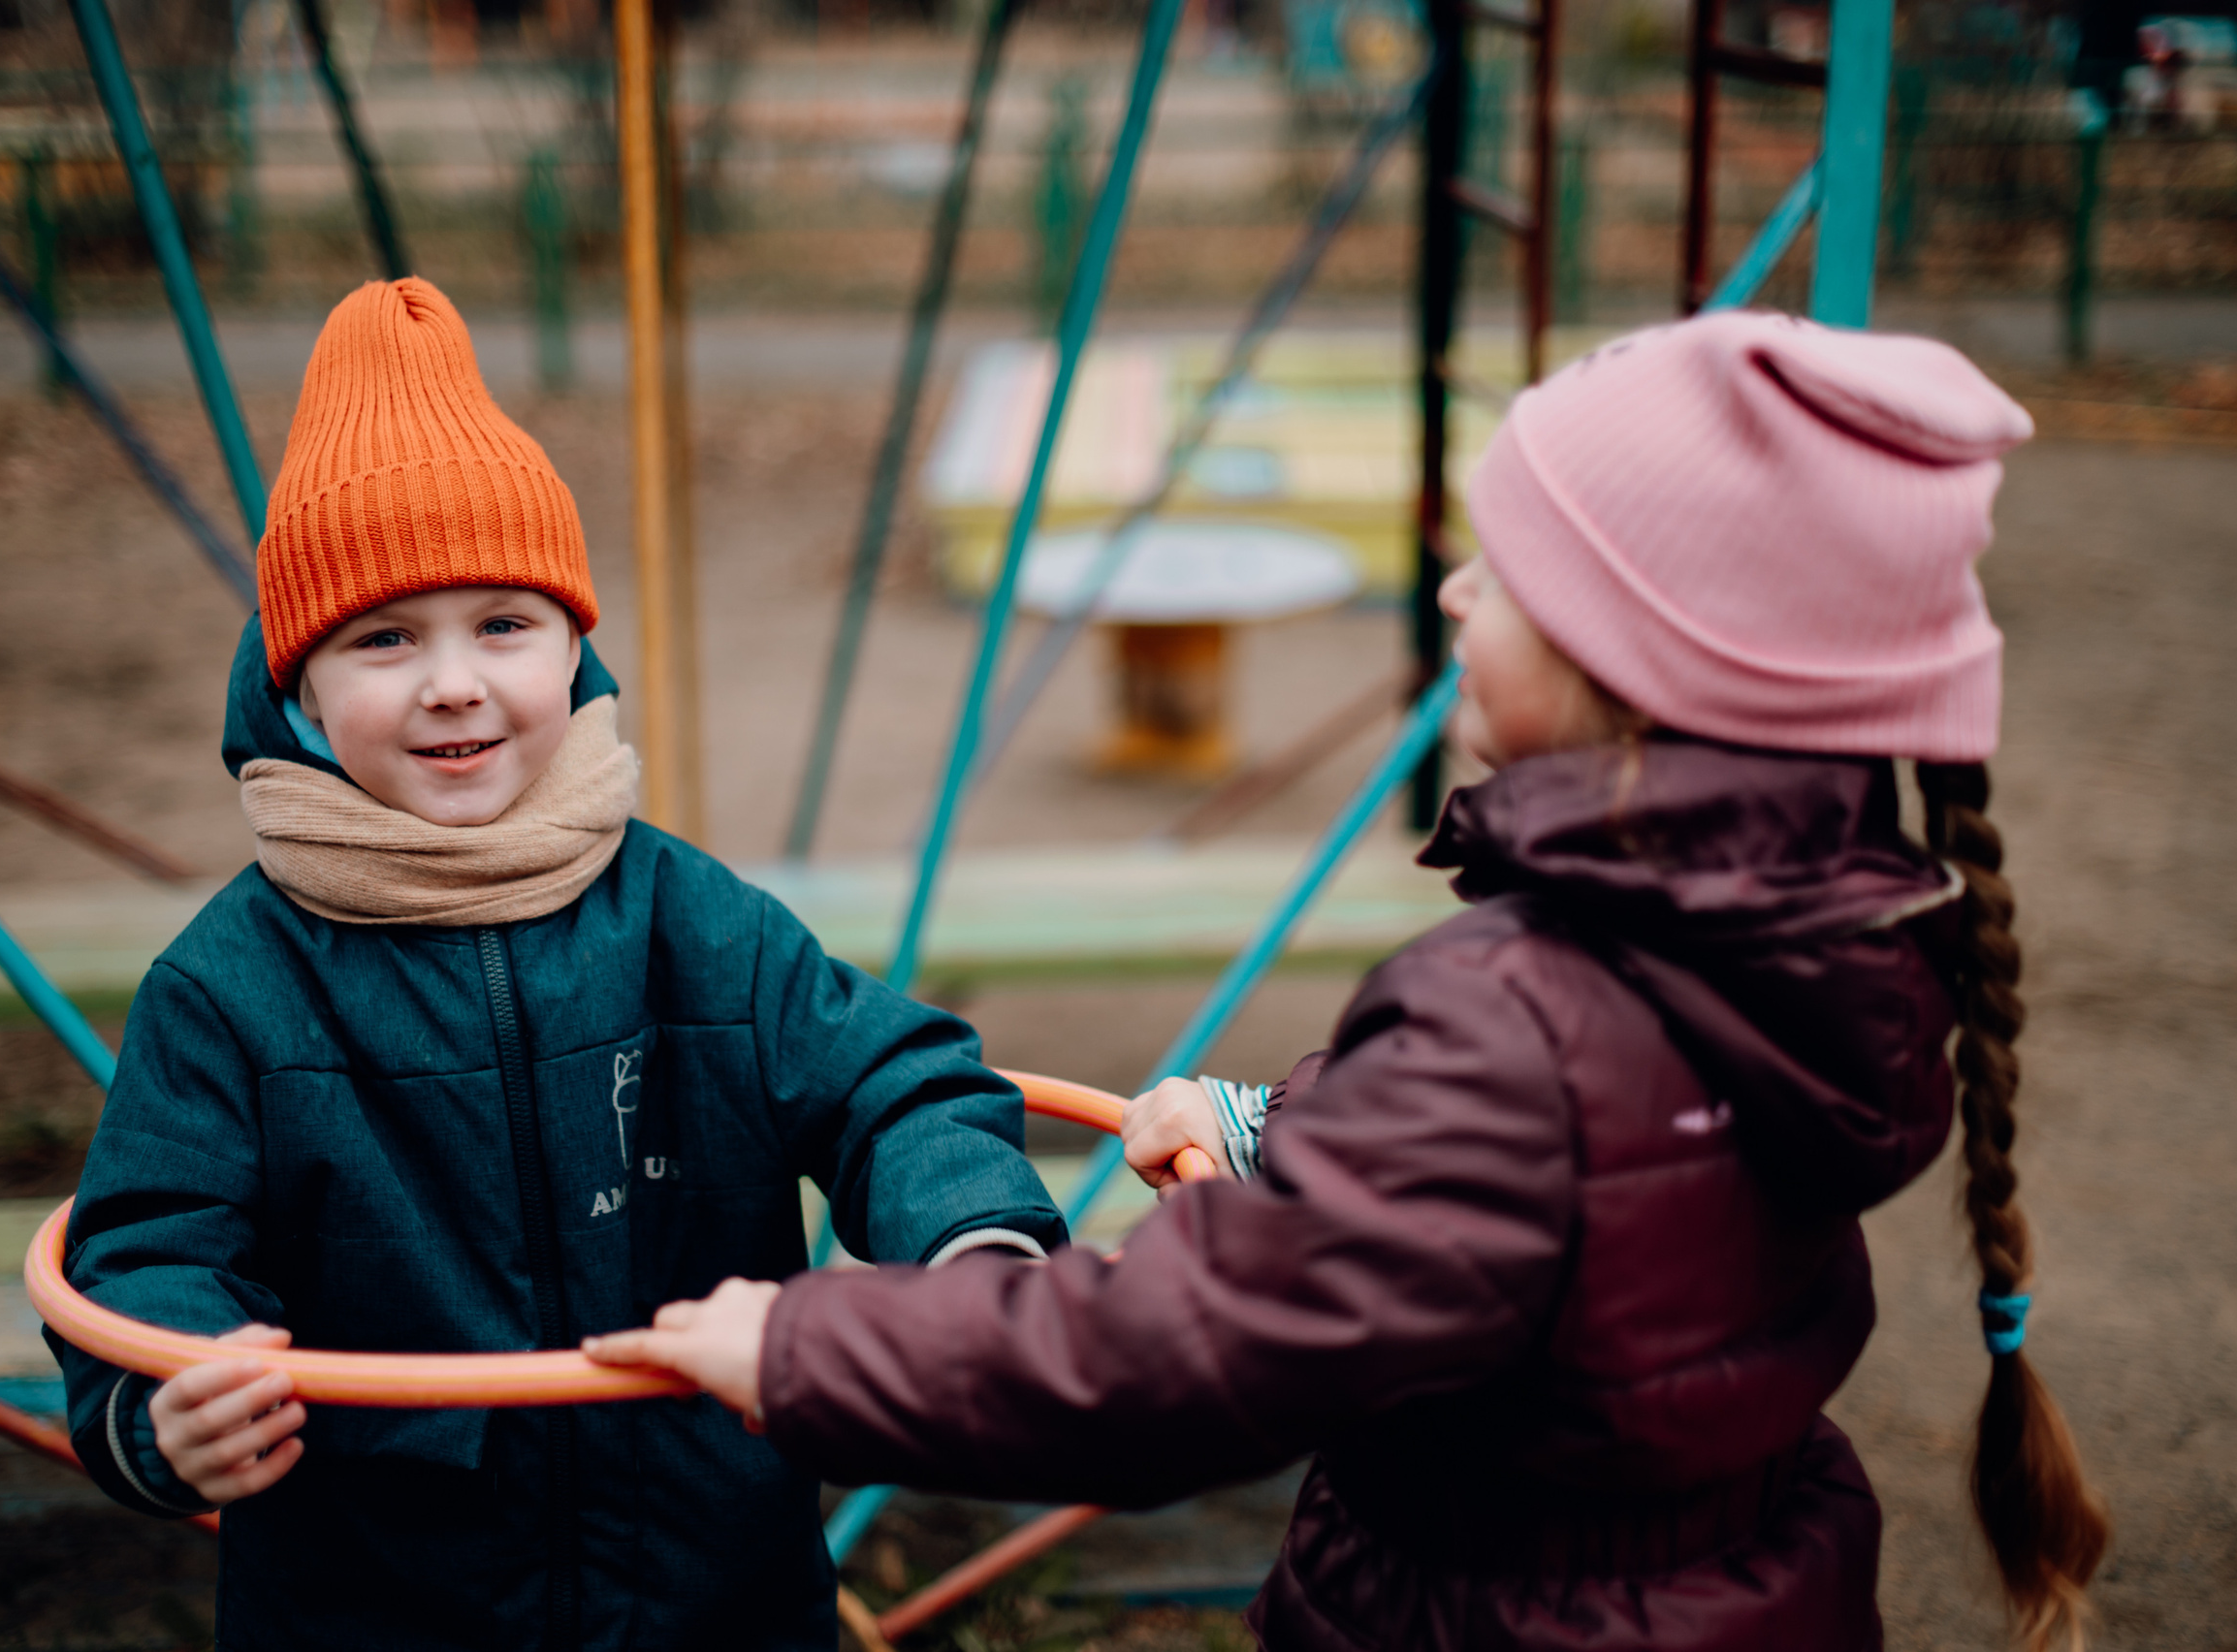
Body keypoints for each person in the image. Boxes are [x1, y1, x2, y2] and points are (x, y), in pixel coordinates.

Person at [590, 313, 2113, 1652]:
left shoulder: (1521, 1018)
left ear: (1642, 669)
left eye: (1507, 576)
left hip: (1494, 1611)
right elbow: (1571, 1188)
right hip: (1747, 1584)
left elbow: (1160, 1366)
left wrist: (804, 1351)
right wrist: (1267, 1132)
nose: (1454, 597)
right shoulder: (1819, 931)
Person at [48, 277, 1066, 1651]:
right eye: (384, 637)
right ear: (296, 685)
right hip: (380, 1606)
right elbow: (151, 1241)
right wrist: (166, 1398)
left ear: (575, 645)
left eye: (503, 624)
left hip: (715, 1588)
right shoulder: (233, 987)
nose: (453, 682)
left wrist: (969, 1242)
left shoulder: (688, 920)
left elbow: (895, 1082)